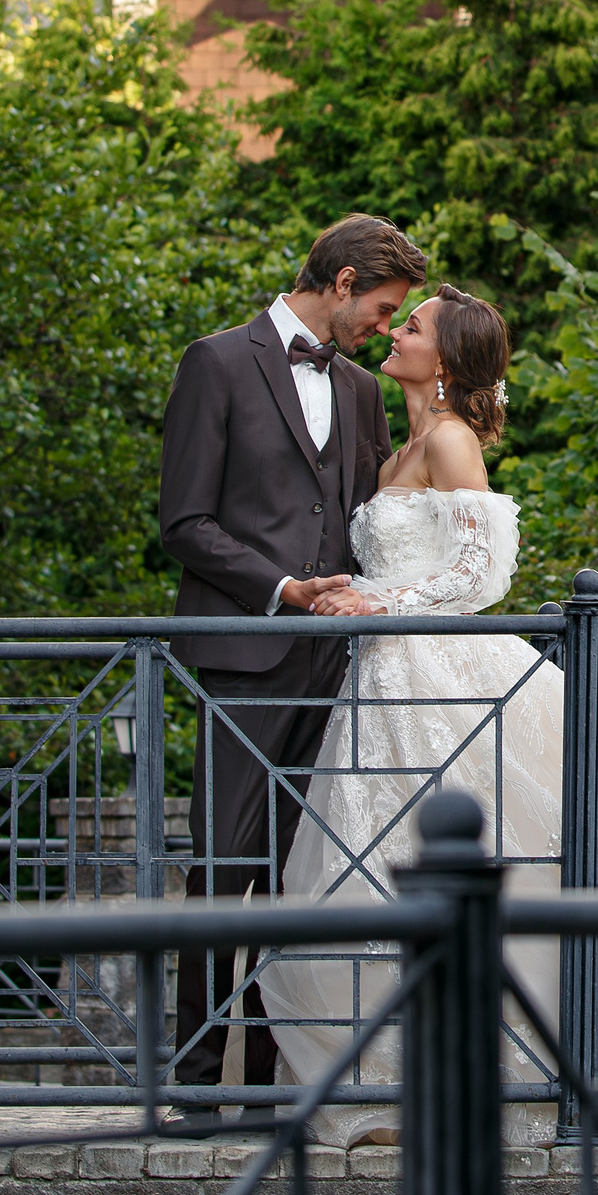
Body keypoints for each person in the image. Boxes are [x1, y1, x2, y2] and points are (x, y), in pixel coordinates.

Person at [256, 284, 598, 1145]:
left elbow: (486, 572)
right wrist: (361, 597)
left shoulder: (449, 442)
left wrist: (388, 602)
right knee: (381, 854)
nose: (396, 331)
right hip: (382, 677)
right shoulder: (395, 448)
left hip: (441, 669)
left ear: (443, 361)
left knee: (511, 847)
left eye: (411, 326)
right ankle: (401, 1073)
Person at [156, 213, 428, 1122]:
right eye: (382, 307)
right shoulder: (217, 363)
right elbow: (185, 523)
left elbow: (360, 517)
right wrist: (283, 587)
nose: (384, 328)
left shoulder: (358, 390)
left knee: (293, 869)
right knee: (221, 867)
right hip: (243, 650)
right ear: (343, 281)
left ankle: (268, 1080)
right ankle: (196, 1080)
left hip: (334, 665)